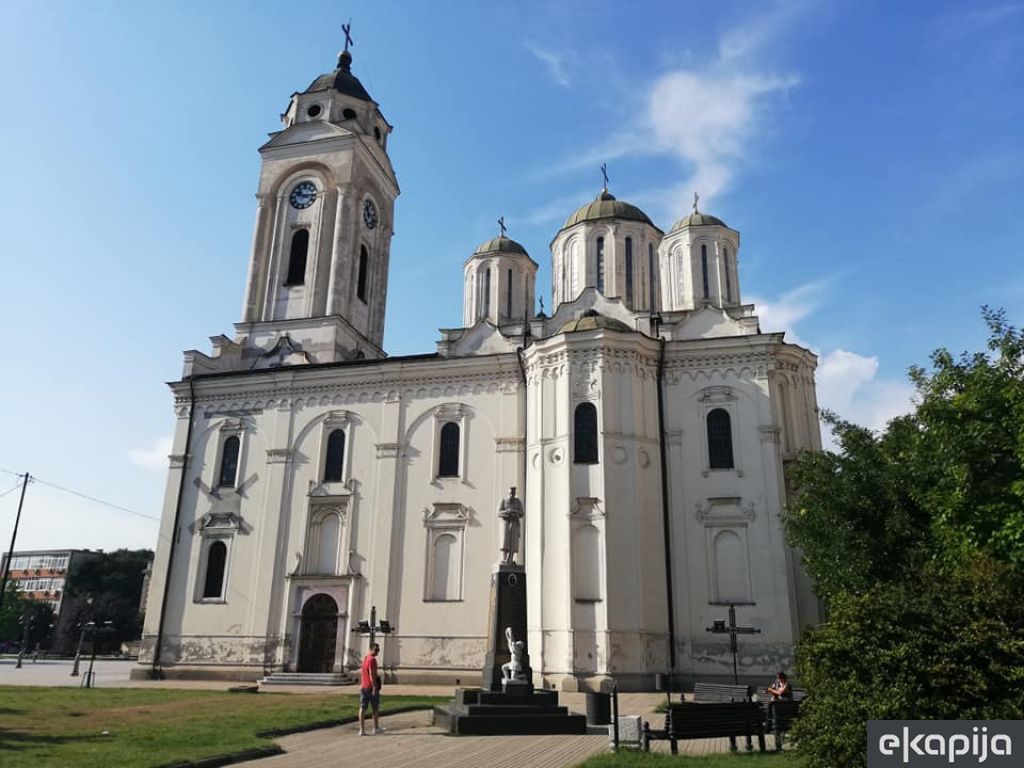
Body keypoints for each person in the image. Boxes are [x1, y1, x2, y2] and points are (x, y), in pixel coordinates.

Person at [358, 643, 385, 736]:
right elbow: (372, 675)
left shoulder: (365, 658)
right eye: (376, 650)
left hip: (363, 686)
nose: (378, 652)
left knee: (362, 707)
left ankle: (362, 730)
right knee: (375, 708)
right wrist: (374, 687)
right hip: (370, 687)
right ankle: (376, 728)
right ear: (371, 649)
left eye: (378, 650)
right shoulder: (372, 660)